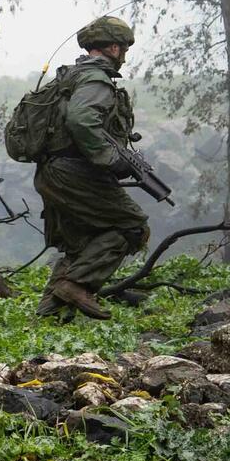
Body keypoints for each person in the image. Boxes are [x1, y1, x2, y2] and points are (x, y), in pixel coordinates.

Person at [33, 17, 150, 321]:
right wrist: (112, 160)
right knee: (132, 226)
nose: (124, 53)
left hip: (53, 170)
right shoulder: (95, 80)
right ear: (113, 47)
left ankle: (47, 319)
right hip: (74, 172)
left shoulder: (70, 77)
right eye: (123, 47)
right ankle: (75, 284)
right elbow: (81, 120)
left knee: (80, 244)